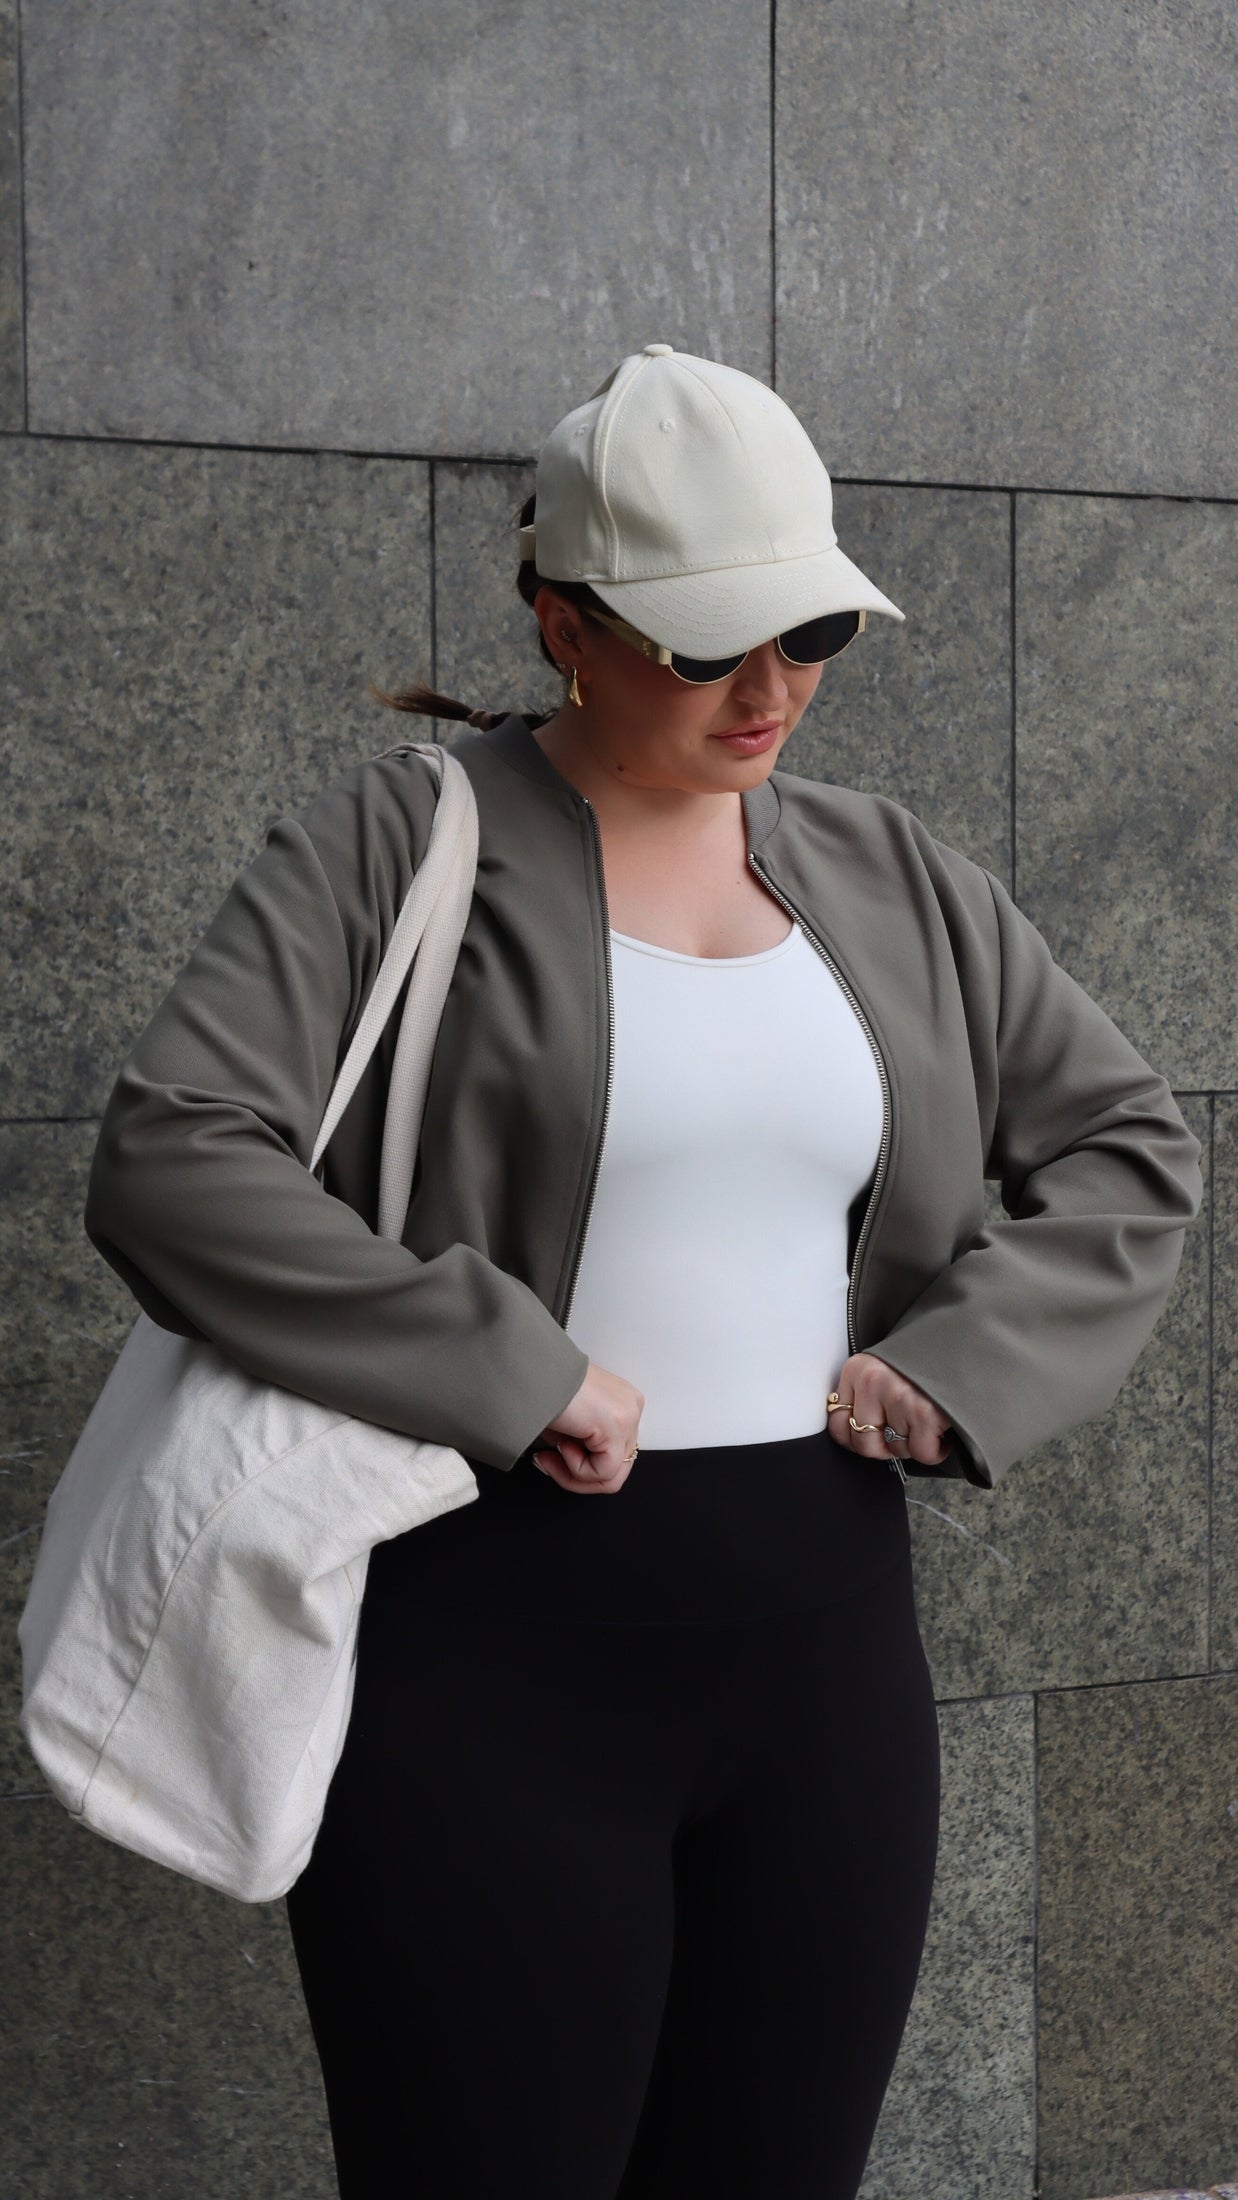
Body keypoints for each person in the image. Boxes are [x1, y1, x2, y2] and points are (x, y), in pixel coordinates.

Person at [83, 344, 1204, 2199]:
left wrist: (961, 1364)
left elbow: (1127, 1144)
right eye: (708, 647)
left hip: (829, 1679)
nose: (772, 692)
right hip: (482, 1669)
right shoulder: (400, 843)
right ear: (562, 624)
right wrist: (507, 1366)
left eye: (813, 633)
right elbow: (172, 1159)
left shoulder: (887, 871)